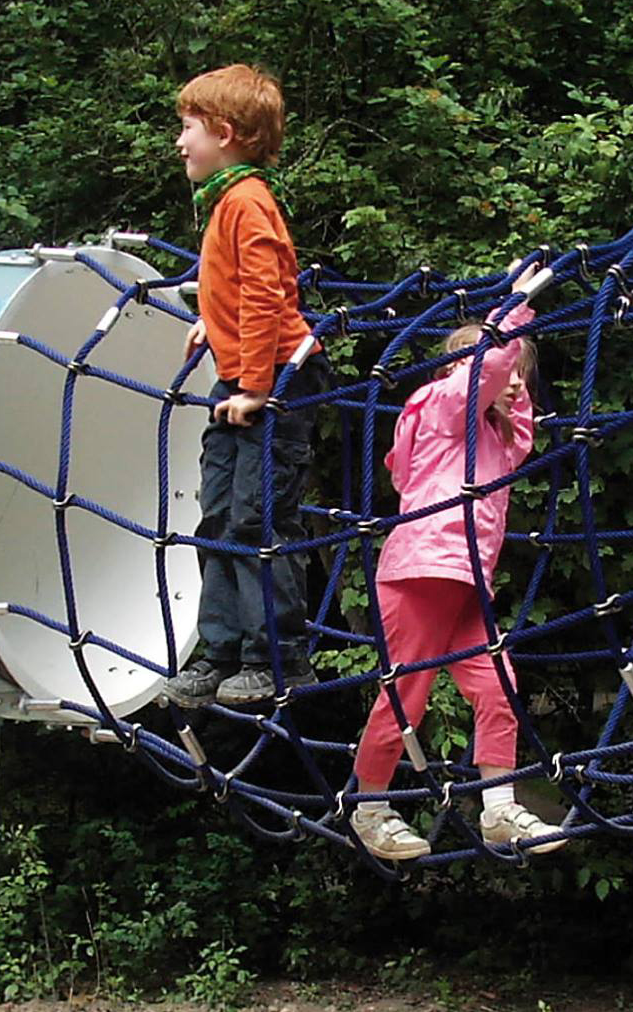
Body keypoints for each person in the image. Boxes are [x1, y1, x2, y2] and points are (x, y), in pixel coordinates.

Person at [347, 268, 568, 860]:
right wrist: (515, 311)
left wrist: (515, 387)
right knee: (407, 694)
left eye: (524, 374)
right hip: (421, 572)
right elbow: (484, 372)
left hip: (467, 578)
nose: (517, 381)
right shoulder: (442, 409)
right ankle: (369, 808)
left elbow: (518, 431)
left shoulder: (496, 437)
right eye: (507, 370)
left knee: (498, 687)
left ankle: (498, 806)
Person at [164, 63, 332, 708]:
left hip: (276, 382)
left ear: (226, 132)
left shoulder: (246, 200)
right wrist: (212, 320)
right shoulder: (225, 200)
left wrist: (258, 387)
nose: (180, 142)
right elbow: (236, 288)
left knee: (260, 519)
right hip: (241, 378)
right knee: (217, 517)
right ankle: (222, 651)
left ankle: (277, 657)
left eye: (188, 129)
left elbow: (267, 294)